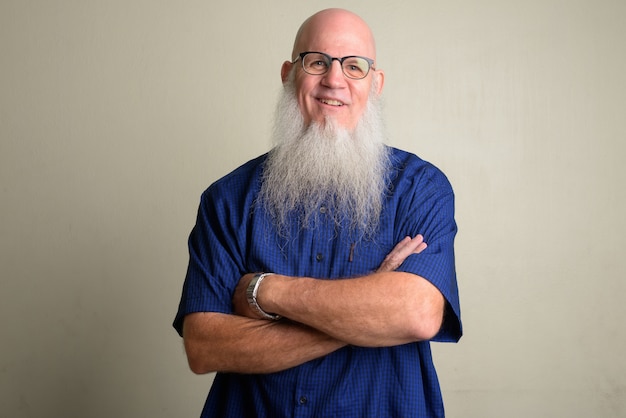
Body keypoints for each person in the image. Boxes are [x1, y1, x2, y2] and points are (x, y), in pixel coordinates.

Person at [173, 8, 462, 417]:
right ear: (289, 74)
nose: (334, 79)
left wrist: (265, 291)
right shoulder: (226, 199)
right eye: (317, 61)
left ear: (375, 84)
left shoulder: (420, 188)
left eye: (354, 66)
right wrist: (370, 310)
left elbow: (417, 313)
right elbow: (204, 347)